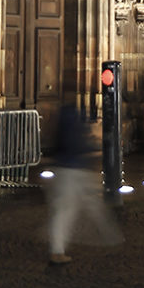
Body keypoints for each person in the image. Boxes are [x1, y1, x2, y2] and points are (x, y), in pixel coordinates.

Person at [46, 103, 121, 265]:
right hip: (73, 168)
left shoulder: (66, 113)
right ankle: (107, 235)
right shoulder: (71, 114)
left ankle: (107, 234)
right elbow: (74, 140)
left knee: (71, 208)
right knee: (72, 209)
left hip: (69, 167)